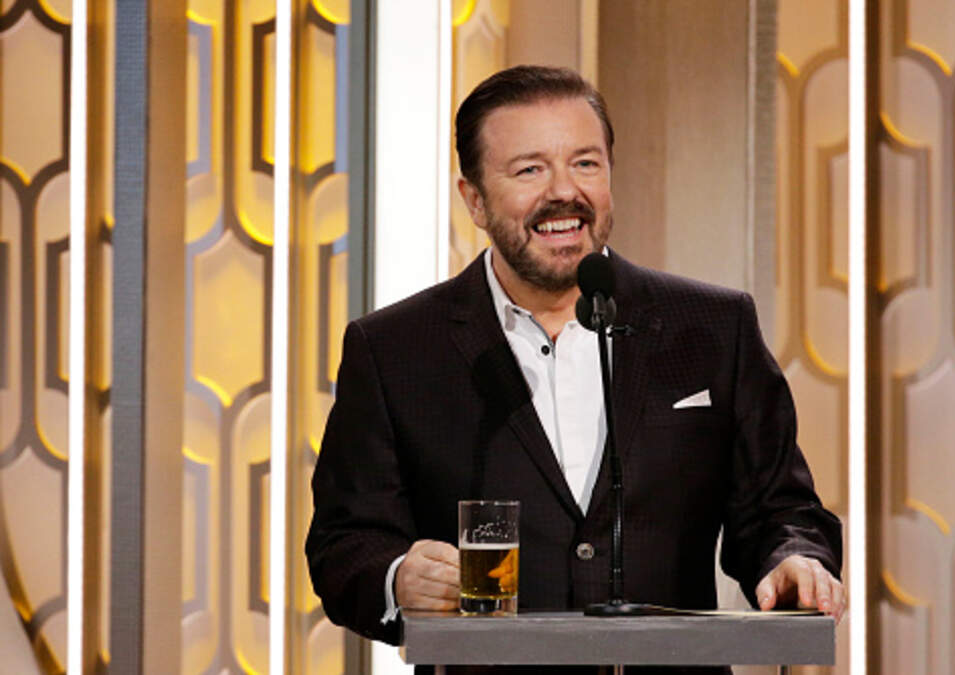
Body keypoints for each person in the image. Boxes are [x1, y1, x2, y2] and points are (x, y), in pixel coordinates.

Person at [306, 65, 844, 673]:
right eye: (529, 170)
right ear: (474, 199)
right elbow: (344, 545)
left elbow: (779, 509)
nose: (564, 192)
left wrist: (794, 560)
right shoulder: (395, 349)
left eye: (585, 163)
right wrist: (398, 577)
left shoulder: (713, 327)